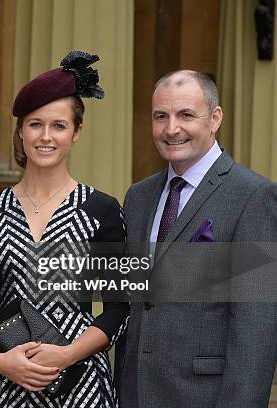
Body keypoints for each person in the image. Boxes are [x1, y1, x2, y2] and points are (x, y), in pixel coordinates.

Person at [0, 51, 129, 407]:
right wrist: (1, 361)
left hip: (80, 386)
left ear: (77, 132)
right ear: (20, 131)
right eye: (35, 124)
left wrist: (64, 356)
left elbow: (118, 309)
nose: (45, 136)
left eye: (59, 125)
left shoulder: (103, 211)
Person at [117, 70, 277, 407]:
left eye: (186, 115)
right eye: (161, 116)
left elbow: (255, 330)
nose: (171, 129)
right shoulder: (138, 197)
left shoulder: (254, 197)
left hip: (204, 397)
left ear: (215, 118)